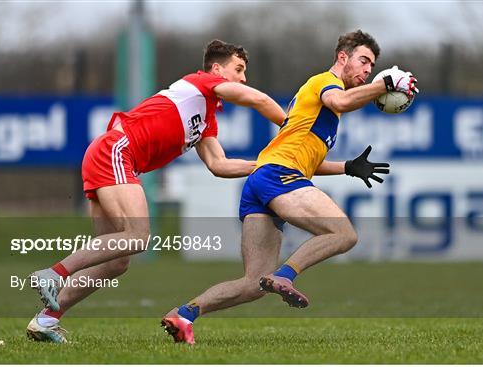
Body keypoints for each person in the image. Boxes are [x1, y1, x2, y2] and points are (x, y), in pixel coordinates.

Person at [162, 30, 419, 344]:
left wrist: (348, 168)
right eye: (364, 61)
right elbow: (340, 100)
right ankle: (285, 275)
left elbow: (308, 162)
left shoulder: (326, 112)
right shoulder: (326, 83)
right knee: (343, 233)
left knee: (253, 283)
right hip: (278, 176)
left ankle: (184, 314)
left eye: (373, 65)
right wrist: (386, 83)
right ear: (342, 57)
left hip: (263, 179)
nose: (368, 71)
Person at [25, 39, 287, 343]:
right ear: (216, 69)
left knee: (115, 261)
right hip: (117, 150)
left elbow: (219, 164)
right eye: (238, 69)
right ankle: (53, 274)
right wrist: (290, 125)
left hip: (112, 156)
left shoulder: (206, 119)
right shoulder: (201, 82)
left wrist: (265, 164)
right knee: (138, 236)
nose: (243, 77)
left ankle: (45, 319)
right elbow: (255, 100)